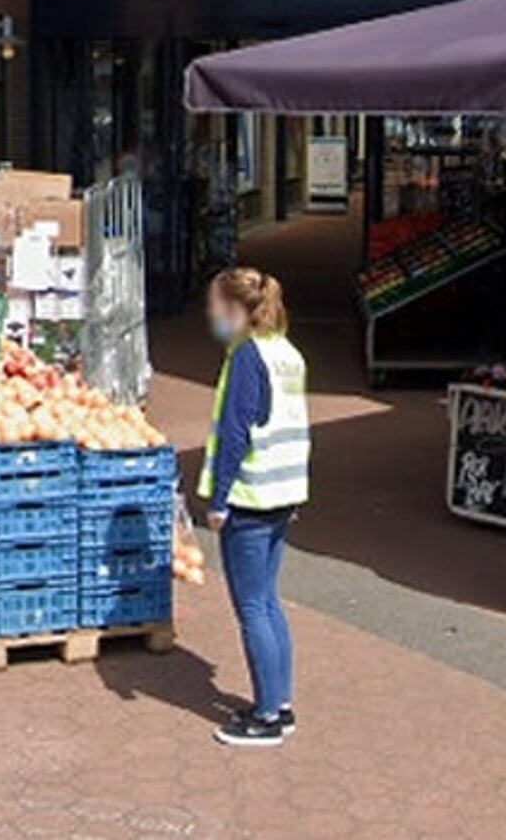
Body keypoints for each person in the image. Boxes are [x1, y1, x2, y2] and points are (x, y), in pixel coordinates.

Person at [196, 267, 311, 748]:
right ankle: (279, 703)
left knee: (252, 607)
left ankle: (265, 716)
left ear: (235, 309)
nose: (211, 315)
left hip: (250, 496)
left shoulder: (246, 357)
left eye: (215, 306)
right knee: (268, 600)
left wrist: (219, 500)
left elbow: (235, 433)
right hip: (283, 493)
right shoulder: (287, 353)